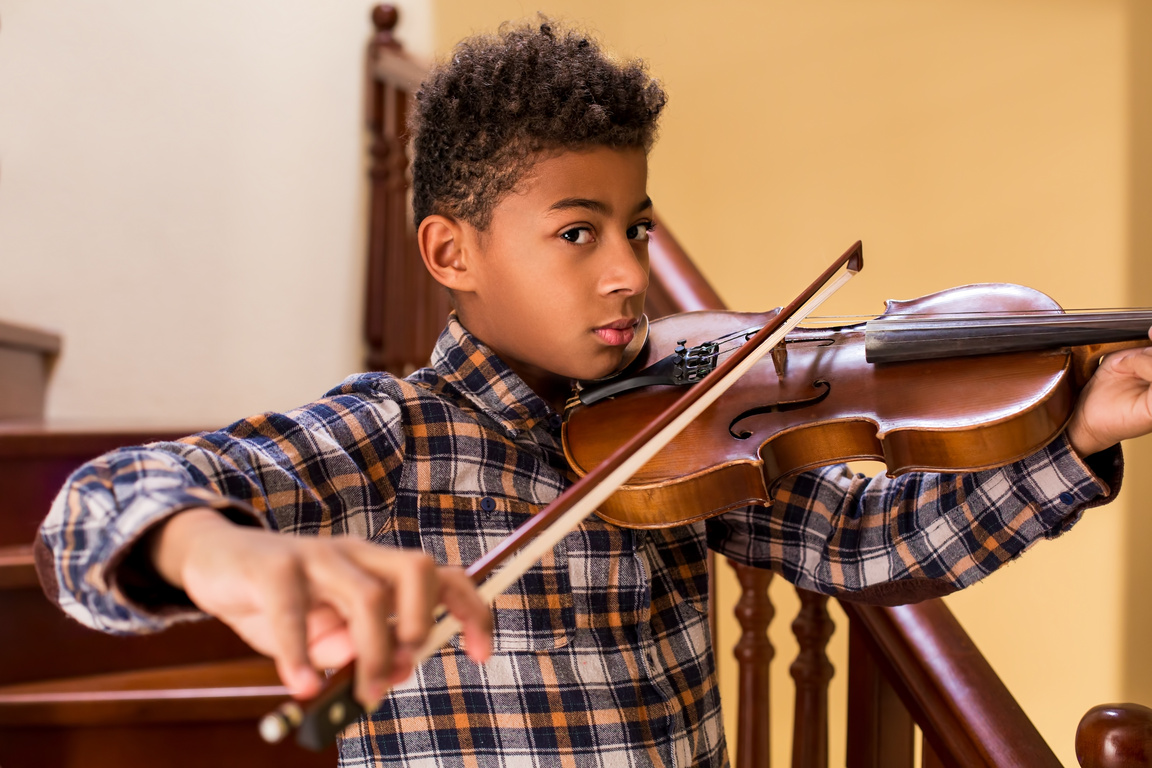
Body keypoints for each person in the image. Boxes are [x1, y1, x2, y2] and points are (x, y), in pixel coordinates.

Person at [36, 20, 1152, 768]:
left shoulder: (687, 425)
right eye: (577, 232)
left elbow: (864, 545)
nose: (627, 271)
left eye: (637, 228)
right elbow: (95, 507)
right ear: (450, 251)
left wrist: (1072, 441)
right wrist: (219, 553)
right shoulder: (390, 438)